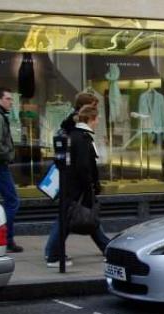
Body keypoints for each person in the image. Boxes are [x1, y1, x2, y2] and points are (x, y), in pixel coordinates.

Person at [45, 105, 110, 267]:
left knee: (83, 218)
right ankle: (53, 255)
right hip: (78, 188)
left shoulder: (76, 135)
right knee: (76, 218)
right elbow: (83, 166)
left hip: (72, 187)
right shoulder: (82, 138)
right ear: (90, 119)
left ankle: (107, 248)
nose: (97, 122)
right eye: (96, 119)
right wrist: (90, 186)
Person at [0, 87, 23, 253]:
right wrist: (8, 155)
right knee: (12, 201)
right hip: (0, 165)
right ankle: (7, 239)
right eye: (8, 98)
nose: (11, 102)